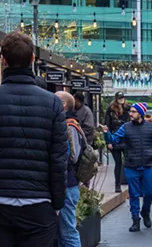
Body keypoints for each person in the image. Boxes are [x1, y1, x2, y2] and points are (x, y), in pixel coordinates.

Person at [0, 31, 68, 246]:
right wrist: (57, 203)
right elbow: (58, 160)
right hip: (38, 202)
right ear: (32, 60)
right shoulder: (53, 103)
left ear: (3, 60)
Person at [101, 103, 152, 232]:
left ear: (141, 114)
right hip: (131, 165)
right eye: (130, 111)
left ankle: (145, 211)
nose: (130, 114)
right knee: (134, 194)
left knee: (148, 193)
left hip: (147, 165)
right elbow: (114, 140)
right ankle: (135, 219)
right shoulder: (125, 127)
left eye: (134, 111)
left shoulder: (150, 128)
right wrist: (107, 133)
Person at [55, 91, 83, 247]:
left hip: (68, 182)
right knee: (63, 231)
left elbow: (73, 156)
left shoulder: (69, 125)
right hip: (68, 182)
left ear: (64, 104)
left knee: (67, 231)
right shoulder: (67, 123)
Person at [104, 91, 130, 192]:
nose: (121, 100)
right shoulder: (111, 110)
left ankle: (128, 182)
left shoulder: (128, 109)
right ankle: (117, 184)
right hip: (115, 138)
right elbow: (107, 126)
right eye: (119, 98)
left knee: (128, 161)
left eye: (122, 98)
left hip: (126, 138)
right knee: (118, 163)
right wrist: (108, 141)